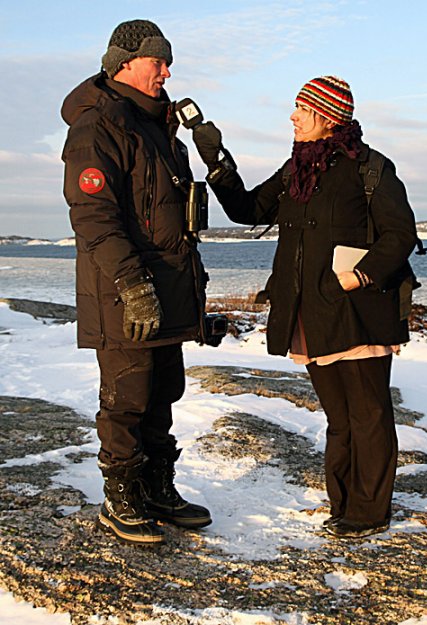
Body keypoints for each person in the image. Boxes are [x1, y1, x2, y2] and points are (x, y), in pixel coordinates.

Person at [192, 76, 418, 539]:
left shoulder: (370, 168)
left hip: (358, 310)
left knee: (368, 413)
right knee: (339, 415)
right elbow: (249, 209)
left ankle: (370, 511)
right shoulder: (297, 169)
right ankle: (343, 504)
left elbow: (400, 234)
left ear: (328, 116)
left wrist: (358, 275)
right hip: (309, 313)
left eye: (302, 109)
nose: (292, 117)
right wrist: (217, 161)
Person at [61, 19, 213, 545]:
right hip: (124, 292)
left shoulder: (159, 125)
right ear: (123, 64)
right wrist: (132, 283)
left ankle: (155, 488)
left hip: (167, 286)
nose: (167, 72)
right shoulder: (97, 125)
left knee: (163, 393)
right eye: (158, 62)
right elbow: (94, 218)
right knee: (127, 397)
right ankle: (120, 498)